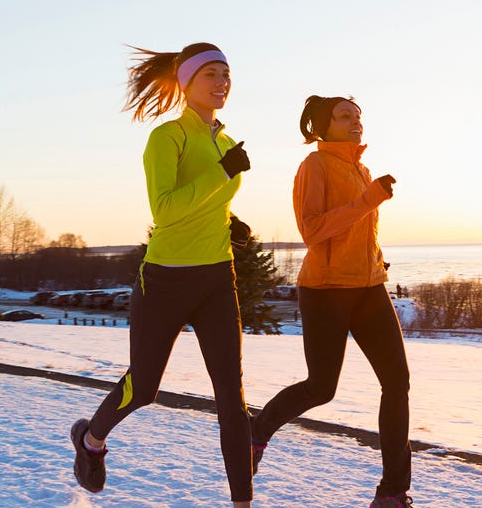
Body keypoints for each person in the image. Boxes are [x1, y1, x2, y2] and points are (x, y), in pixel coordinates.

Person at [70, 42, 256, 507]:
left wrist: (232, 222)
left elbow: (209, 201)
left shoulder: (227, 142)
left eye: (227, 74)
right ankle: (91, 441)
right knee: (144, 389)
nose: (222, 82)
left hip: (217, 278)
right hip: (166, 281)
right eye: (212, 74)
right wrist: (221, 174)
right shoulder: (166, 137)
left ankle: (243, 503)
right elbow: (166, 211)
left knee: (231, 401)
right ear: (187, 82)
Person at [252, 96, 413, 507]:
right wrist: (368, 200)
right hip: (326, 292)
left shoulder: (361, 168)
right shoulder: (314, 166)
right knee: (322, 388)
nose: (356, 122)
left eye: (359, 116)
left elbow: (360, 231)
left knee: (396, 383)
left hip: (369, 287)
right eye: (346, 116)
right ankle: (256, 434)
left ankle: (393, 493)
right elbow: (312, 230)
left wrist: (374, 258)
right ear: (325, 125)